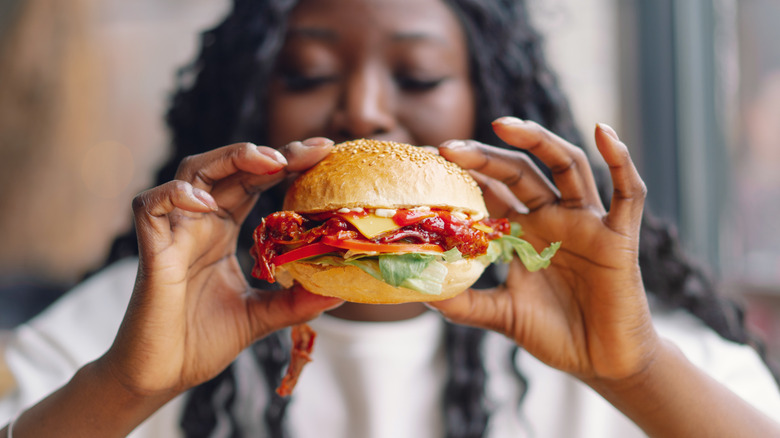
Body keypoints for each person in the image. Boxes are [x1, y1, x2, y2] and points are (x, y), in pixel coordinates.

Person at [2, 0, 780, 436]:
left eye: (418, 74)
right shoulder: (139, 317)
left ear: (487, 102)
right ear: (251, 102)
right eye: (307, 73)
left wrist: (636, 372)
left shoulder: (612, 322)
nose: (366, 109)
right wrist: (126, 387)